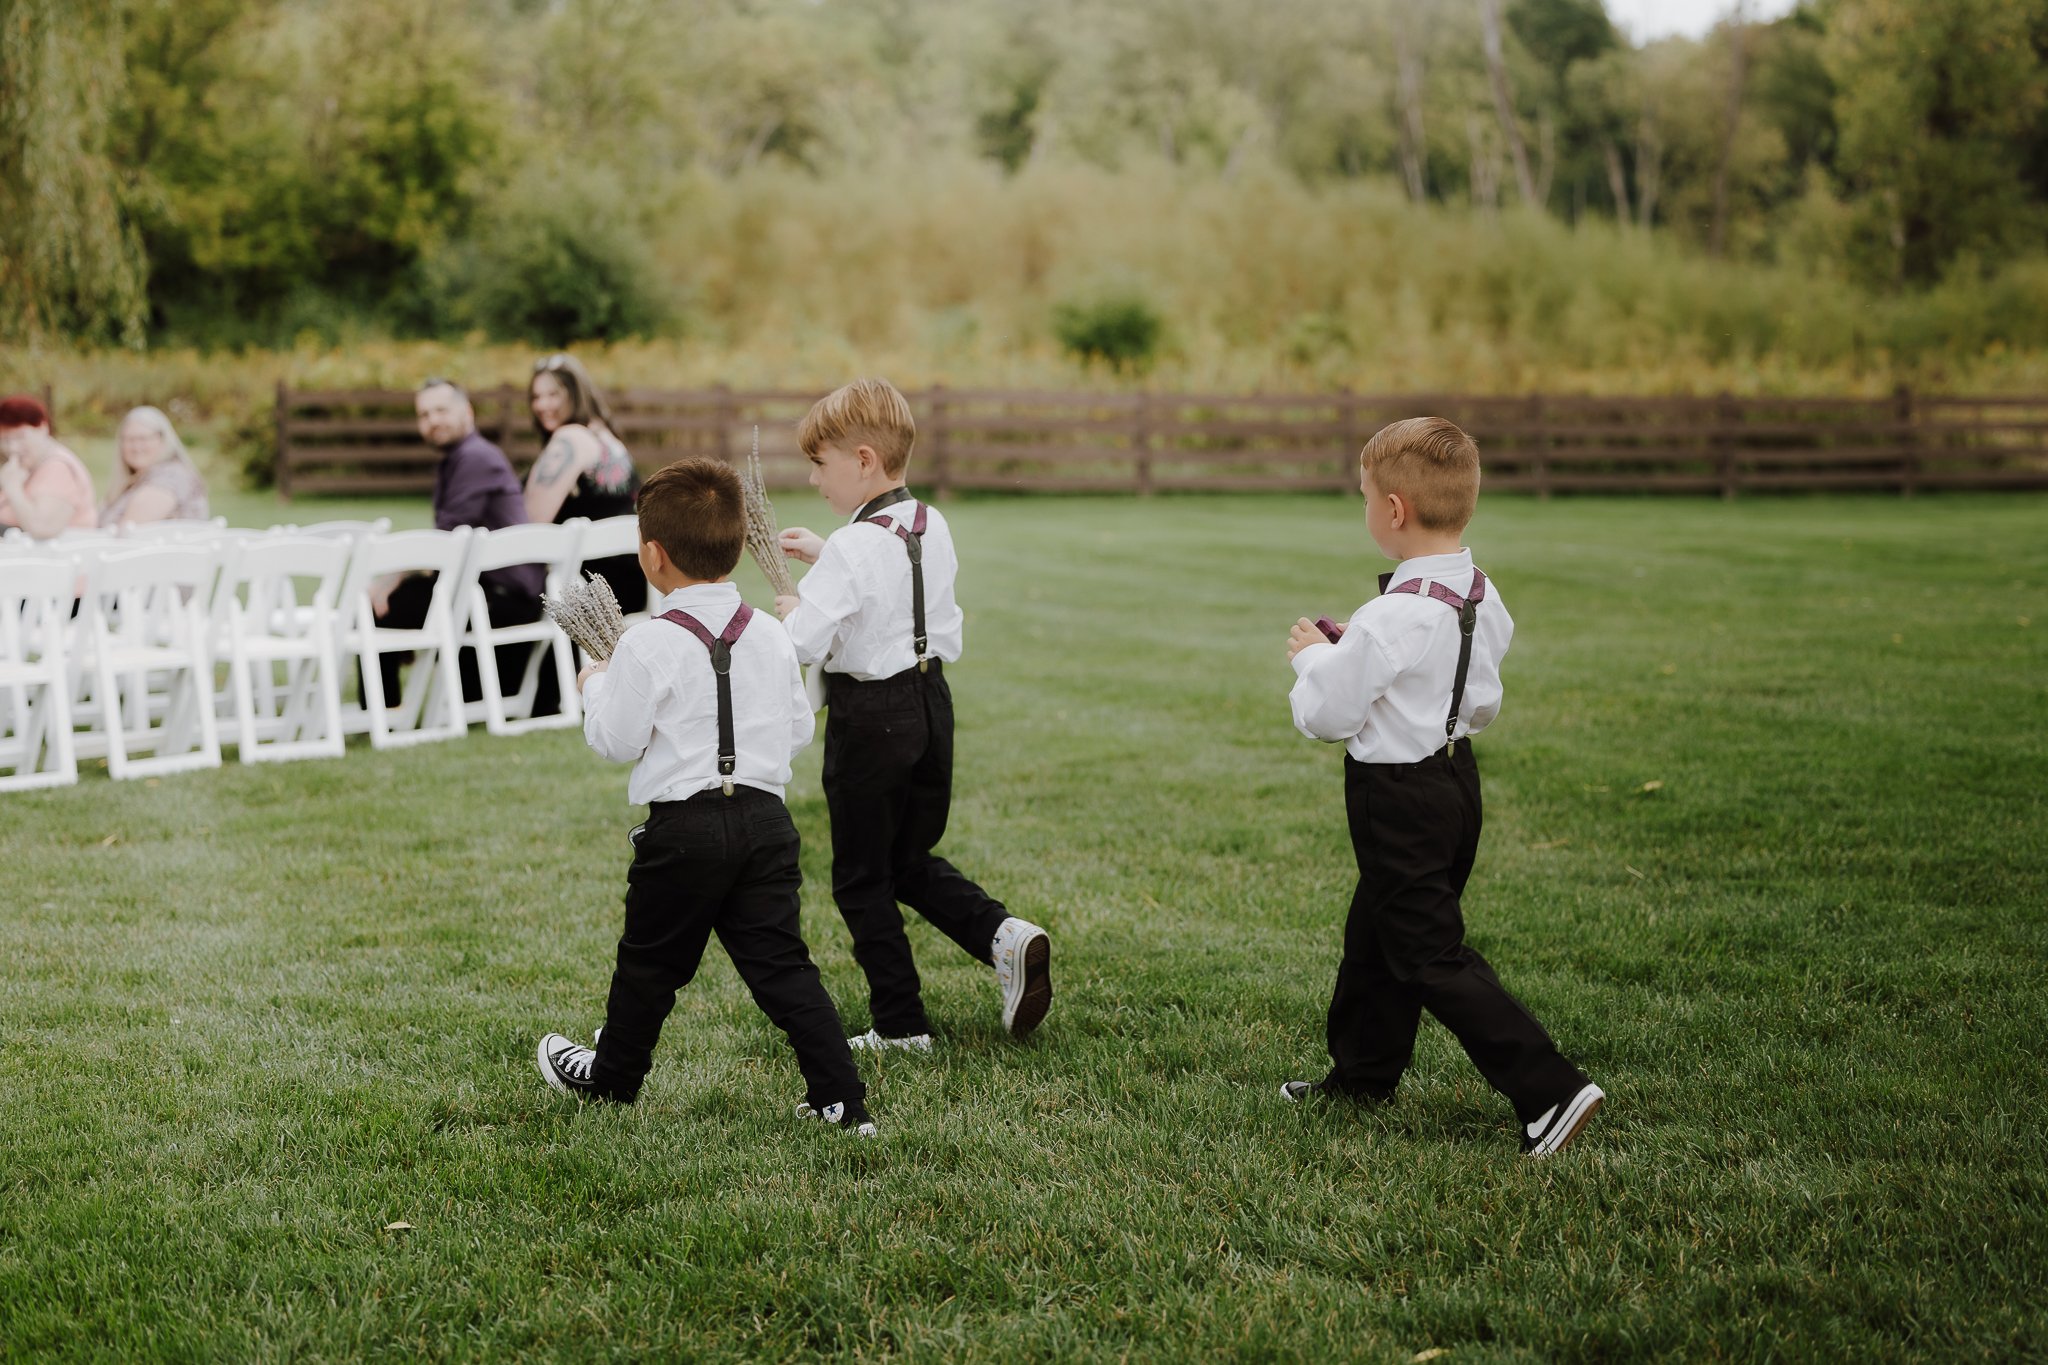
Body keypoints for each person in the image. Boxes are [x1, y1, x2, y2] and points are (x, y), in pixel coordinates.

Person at [1282, 417, 1601, 1157]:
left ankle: (1550, 1088)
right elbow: (1473, 695)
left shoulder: (1389, 613)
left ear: (1393, 509)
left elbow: (1330, 715)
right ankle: (1361, 1076)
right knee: (1377, 928)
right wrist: (1355, 656)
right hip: (1455, 782)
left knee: (1428, 952)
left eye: (1364, 496)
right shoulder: (1480, 593)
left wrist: (1312, 660)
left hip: (1394, 796)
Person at [536, 456, 874, 1136]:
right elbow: (798, 729)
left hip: (681, 832)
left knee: (649, 968)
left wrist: (595, 682)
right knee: (784, 968)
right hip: (764, 822)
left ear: (653, 556)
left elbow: (615, 739)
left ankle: (613, 1081)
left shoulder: (646, 644)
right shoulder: (774, 636)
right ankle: (842, 1101)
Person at [774, 378, 1052, 1054]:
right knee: (905, 857)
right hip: (931, 705)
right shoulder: (927, 522)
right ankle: (1003, 935)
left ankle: (899, 1024)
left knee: (861, 876)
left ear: (864, 459)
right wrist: (825, 553)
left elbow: (804, 641)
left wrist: (797, 607)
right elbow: (888, 579)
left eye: (821, 463)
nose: (814, 479)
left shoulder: (851, 547)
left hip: (871, 718)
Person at [370, 379, 549, 711]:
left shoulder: (476, 458)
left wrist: (392, 578)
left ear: (467, 411)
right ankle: (387, 710)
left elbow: (445, 539)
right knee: (396, 604)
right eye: (424, 414)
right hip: (480, 589)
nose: (432, 420)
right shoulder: (460, 458)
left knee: (377, 607)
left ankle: (383, 714)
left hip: (502, 598)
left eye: (441, 410)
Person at [523, 353, 645, 612]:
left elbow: (531, 523)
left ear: (575, 394)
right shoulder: (609, 437)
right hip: (633, 584)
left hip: (586, 592)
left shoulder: (569, 439)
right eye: (536, 397)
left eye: (553, 394)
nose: (542, 405)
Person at [0, 395, 97, 539]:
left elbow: (42, 528)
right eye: (5, 440)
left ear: (42, 428)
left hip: (50, 557)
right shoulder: (28, 466)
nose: (13, 448)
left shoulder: (58, 468)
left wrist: (13, 488)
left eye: (20, 437)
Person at [100, 405, 209, 528]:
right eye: (129, 439)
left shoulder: (171, 476)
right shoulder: (133, 480)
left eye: (143, 438)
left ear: (162, 439)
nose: (136, 447)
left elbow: (129, 528)